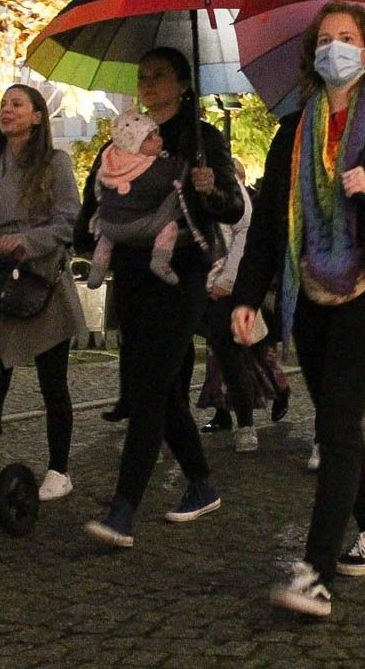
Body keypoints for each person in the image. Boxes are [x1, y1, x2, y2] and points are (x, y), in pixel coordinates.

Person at [230, 2, 365, 616]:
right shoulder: (293, 132)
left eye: (346, 37)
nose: (334, 48)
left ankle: (316, 574)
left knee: (335, 426)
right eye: (324, 39)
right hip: (310, 292)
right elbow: (270, 225)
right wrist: (247, 295)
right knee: (339, 423)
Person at [82, 47, 245, 547]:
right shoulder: (124, 134)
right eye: (143, 76)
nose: (148, 83)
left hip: (180, 274)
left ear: (182, 84)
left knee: (150, 388)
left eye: (159, 75)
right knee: (159, 386)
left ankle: (123, 508)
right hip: (132, 273)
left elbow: (231, 208)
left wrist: (210, 188)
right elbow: (94, 197)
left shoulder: (202, 138)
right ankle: (201, 483)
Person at [0, 84, 84, 503]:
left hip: (42, 280)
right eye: (4, 104)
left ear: (37, 116)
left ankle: (59, 469)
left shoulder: (55, 163)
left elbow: (69, 220)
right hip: (0, 282)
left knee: (52, 381)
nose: (7, 110)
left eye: (17, 104)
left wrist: (27, 241)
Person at [196, 156, 263, 452]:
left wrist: (228, 277)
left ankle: (245, 424)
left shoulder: (224, 179)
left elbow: (244, 228)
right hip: (191, 277)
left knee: (230, 354)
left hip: (221, 279)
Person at [85, 107, 189, 289]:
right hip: (139, 226)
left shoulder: (110, 163)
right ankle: (160, 260)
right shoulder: (154, 168)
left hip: (108, 225)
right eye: (149, 138)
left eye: (156, 134)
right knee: (170, 225)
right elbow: (173, 177)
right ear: (133, 144)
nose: (158, 139)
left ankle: (98, 269)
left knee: (106, 238)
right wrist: (183, 163)